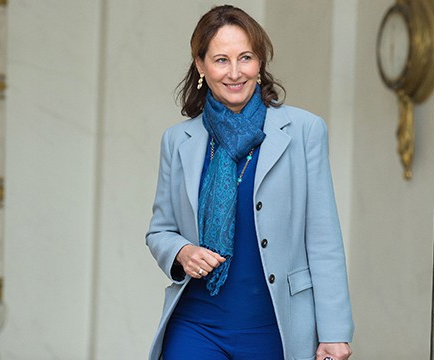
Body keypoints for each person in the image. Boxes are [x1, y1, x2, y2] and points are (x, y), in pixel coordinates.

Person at [146, 5, 354, 360]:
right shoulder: (178, 141)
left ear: (260, 63)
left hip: (276, 329)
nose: (235, 72)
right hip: (197, 326)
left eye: (246, 58)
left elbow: (323, 238)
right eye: (221, 60)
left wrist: (335, 332)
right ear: (200, 65)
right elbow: (160, 231)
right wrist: (182, 252)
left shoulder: (303, 131)